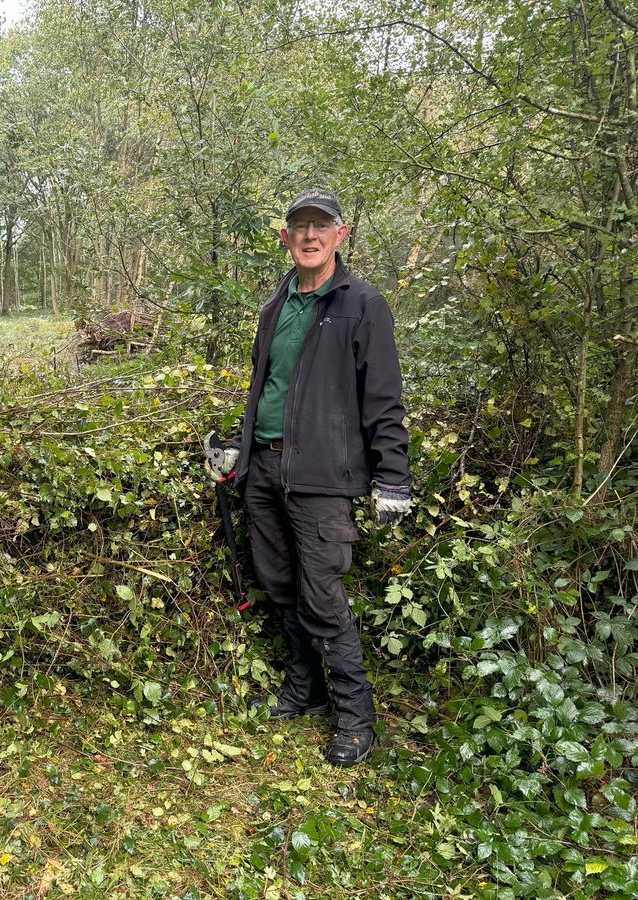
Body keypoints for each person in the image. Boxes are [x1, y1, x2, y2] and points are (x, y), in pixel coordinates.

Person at [206, 188, 411, 767]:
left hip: (322, 478)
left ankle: (355, 715)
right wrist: (237, 451)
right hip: (264, 470)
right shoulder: (276, 307)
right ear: (285, 237)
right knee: (279, 585)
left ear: (340, 236)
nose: (310, 235)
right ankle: (305, 688)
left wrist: (391, 476)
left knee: (322, 595)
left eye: (322, 226)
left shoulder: (361, 304)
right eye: (300, 227)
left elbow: (384, 398)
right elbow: (266, 390)